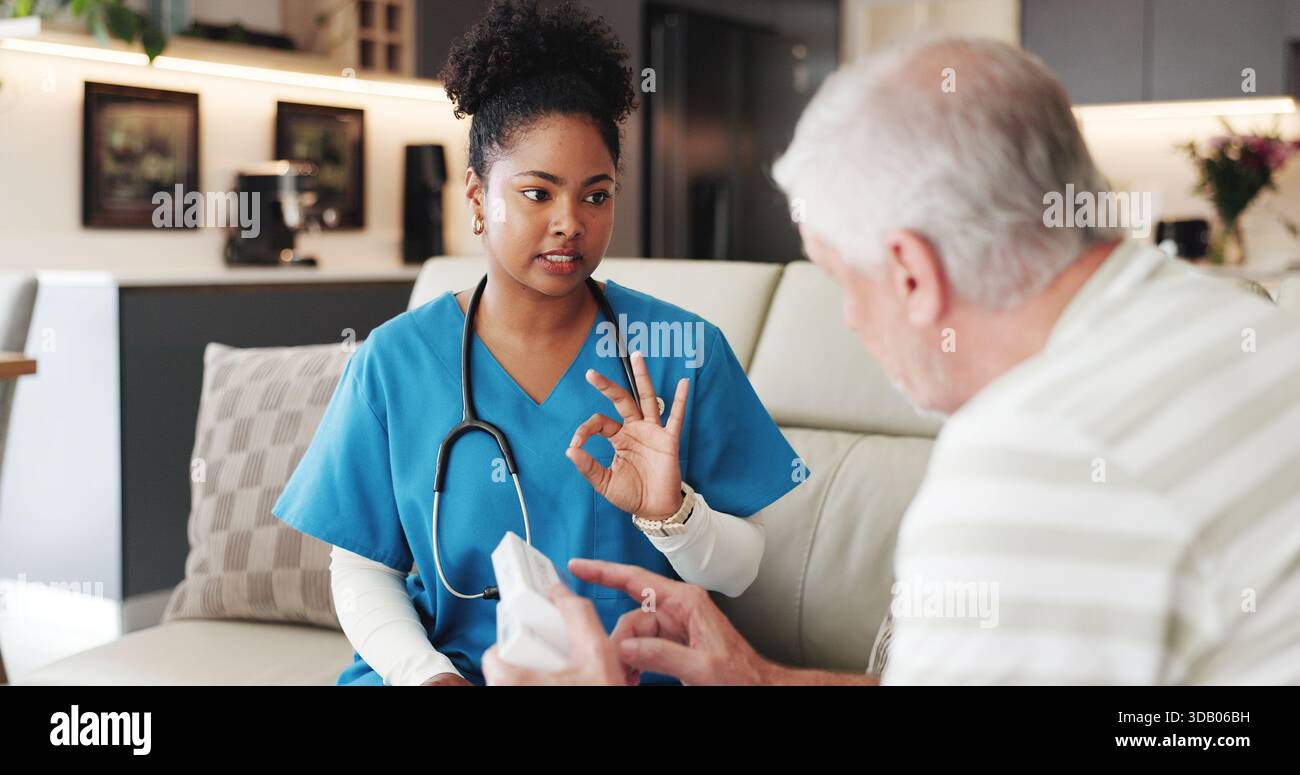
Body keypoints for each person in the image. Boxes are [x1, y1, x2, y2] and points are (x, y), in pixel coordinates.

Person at [484, 35, 1300, 686]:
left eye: (844, 278)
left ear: (912, 273)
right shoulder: (1229, 321)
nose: (844, 315)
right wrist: (766, 680)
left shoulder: (1029, 465)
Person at [271, 0, 807, 686]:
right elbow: (360, 567)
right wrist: (428, 675)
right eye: (536, 193)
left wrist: (674, 516)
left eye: (595, 195)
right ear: (475, 196)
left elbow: (743, 567)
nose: (569, 223)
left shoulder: (680, 351)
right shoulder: (393, 362)